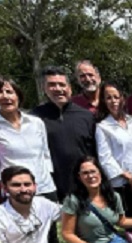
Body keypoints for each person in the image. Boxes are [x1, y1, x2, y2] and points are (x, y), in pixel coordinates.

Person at [0, 76, 57, 203]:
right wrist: (2, 191)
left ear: (18, 95)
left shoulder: (36, 122)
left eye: (9, 92)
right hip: (15, 191)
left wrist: (49, 177)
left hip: (44, 187)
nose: (5, 96)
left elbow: (45, 154)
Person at [31, 66, 96, 202]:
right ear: (45, 89)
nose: (58, 89)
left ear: (69, 88)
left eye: (62, 84)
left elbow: (95, 151)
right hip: (50, 186)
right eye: (52, 85)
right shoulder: (34, 118)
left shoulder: (87, 116)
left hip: (84, 184)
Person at [95, 82, 132, 212]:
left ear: (122, 98)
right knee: (130, 223)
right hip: (123, 185)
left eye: (116, 97)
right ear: (103, 101)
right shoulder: (103, 127)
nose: (113, 101)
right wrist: (128, 177)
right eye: (109, 98)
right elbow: (105, 157)